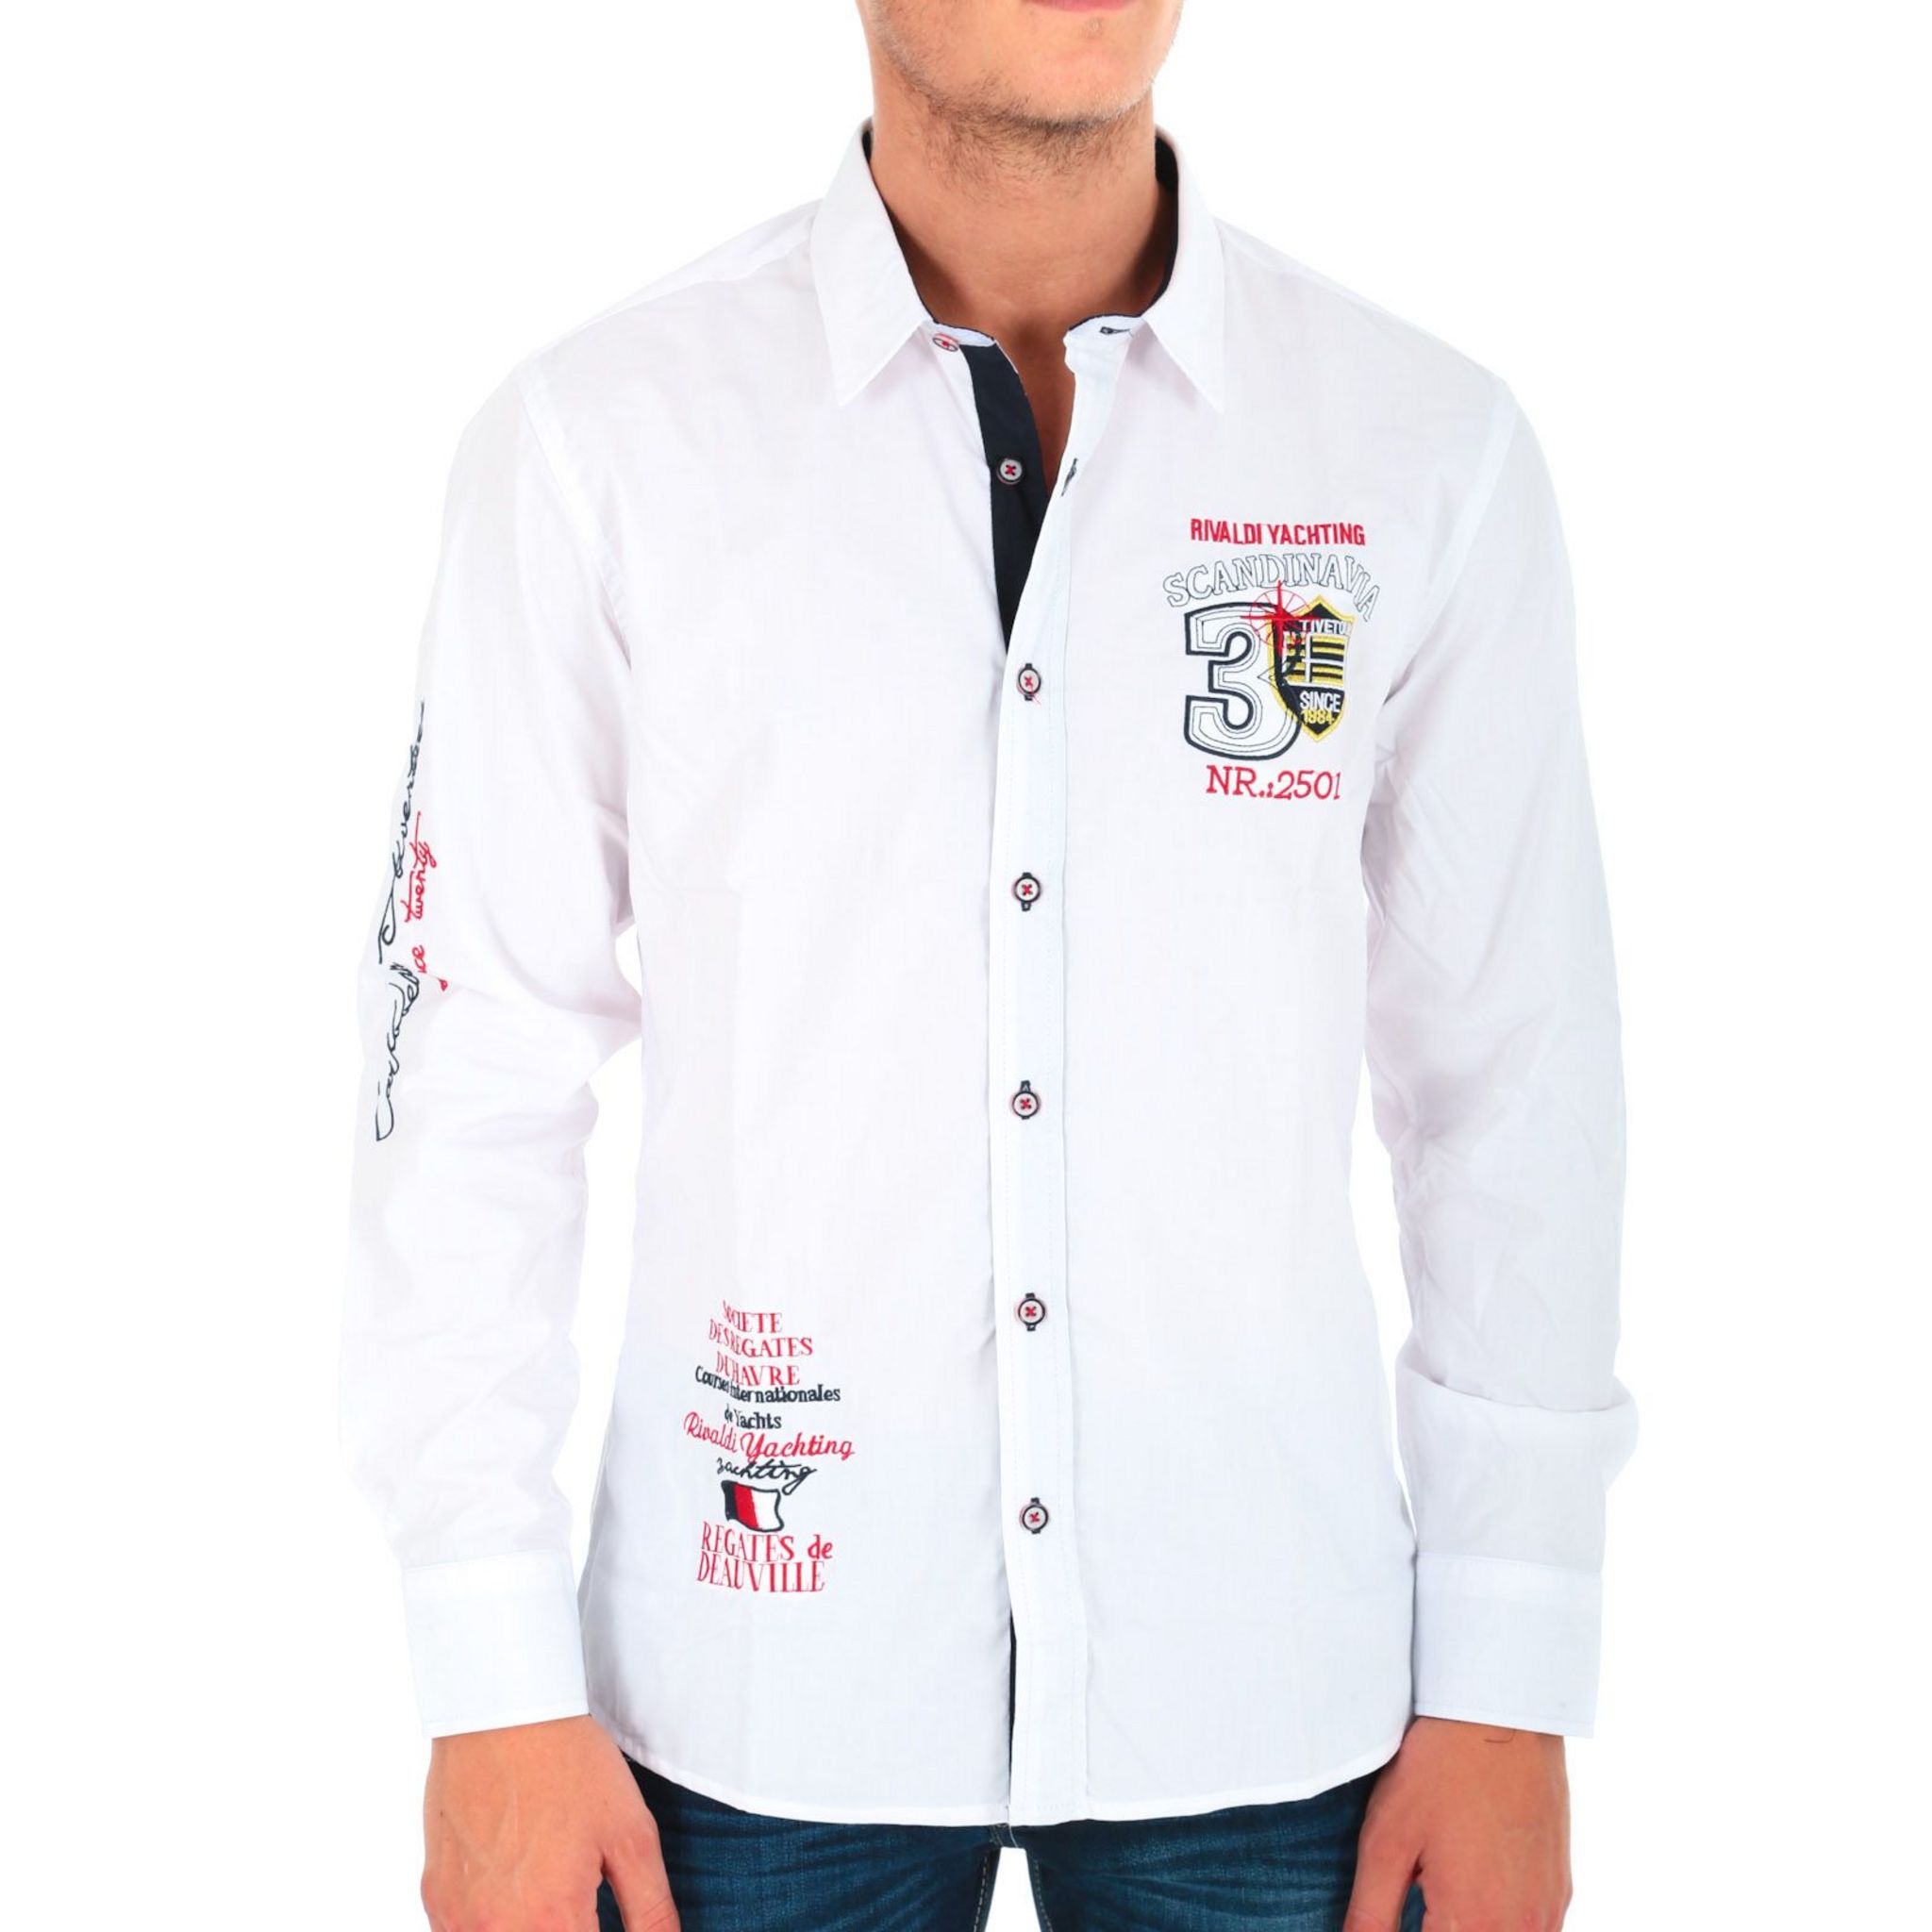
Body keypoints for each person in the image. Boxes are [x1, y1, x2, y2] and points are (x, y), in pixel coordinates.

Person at [344, 3, 1635, 1927]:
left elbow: (1510, 1076)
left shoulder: (1421, 446)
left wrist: (1512, 1673)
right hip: (756, 1688)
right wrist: (487, 1673)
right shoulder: (598, 444)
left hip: (1272, 1687)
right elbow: (473, 1070)